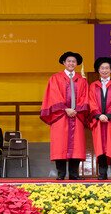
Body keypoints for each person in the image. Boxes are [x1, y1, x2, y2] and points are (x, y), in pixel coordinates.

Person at [40, 51, 89, 180]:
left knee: (77, 145)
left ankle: (74, 174)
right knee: (59, 145)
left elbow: (85, 97)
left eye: (73, 61)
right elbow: (54, 95)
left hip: (76, 115)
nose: (71, 63)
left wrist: (76, 109)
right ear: (64, 63)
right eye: (69, 61)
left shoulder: (82, 80)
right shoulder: (55, 78)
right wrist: (65, 109)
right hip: (60, 116)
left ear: (77, 64)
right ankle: (61, 174)